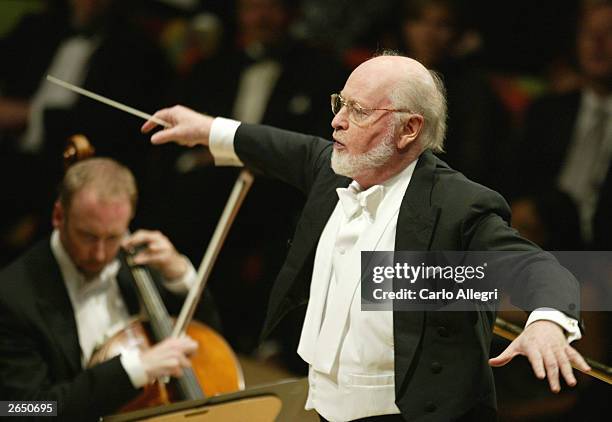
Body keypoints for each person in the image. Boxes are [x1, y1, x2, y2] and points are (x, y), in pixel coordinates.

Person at [142, 52, 590, 421]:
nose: (337, 121)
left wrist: (549, 319)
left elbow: (536, 266)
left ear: (409, 129)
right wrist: (207, 128)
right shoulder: (333, 168)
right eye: (340, 103)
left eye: (357, 111)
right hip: (324, 406)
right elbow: (281, 147)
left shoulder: (458, 203)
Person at [0, 158, 215, 421]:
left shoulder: (140, 260)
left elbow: (211, 346)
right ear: (58, 216)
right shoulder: (12, 297)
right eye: (88, 236)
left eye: (113, 237)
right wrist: (134, 369)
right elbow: (21, 409)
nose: (100, 254)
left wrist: (180, 275)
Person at [517, 1, 612, 248]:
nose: (597, 42)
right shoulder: (547, 111)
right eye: (588, 33)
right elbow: (514, 182)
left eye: (610, 31)